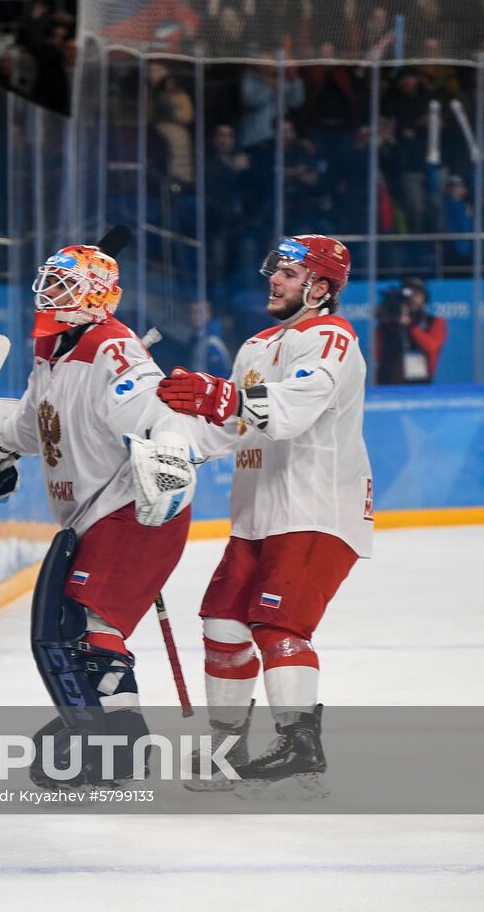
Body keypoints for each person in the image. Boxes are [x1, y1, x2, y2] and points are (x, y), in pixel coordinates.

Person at [0, 243, 201, 789]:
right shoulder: (53, 352)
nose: (51, 292)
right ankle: (100, 729)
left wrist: (168, 461)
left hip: (132, 509)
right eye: (51, 281)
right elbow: (28, 428)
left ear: (95, 296)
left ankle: (122, 744)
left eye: (67, 284)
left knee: (93, 624)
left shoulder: (112, 347)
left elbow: (159, 412)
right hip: (93, 518)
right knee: (73, 625)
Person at [158, 234, 372, 794]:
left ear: (321, 288)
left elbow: (294, 410)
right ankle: (229, 751)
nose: (274, 280)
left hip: (315, 508)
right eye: (274, 269)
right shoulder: (255, 346)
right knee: (223, 624)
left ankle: (301, 748)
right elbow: (231, 425)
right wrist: (169, 446)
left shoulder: (332, 337)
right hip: (258, 513)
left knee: (277, 624)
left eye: (290, 273)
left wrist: (220, 398)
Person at [375, 277, 447, 385]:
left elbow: (432, 348)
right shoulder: (391, 323)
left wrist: (410, 326)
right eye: (409, 295)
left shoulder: (434, 322)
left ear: (425, 297)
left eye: (417, 294)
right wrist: (389, 323)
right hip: (390, 381)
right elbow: (378, 354)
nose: (412, 298)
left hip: (420, 382)